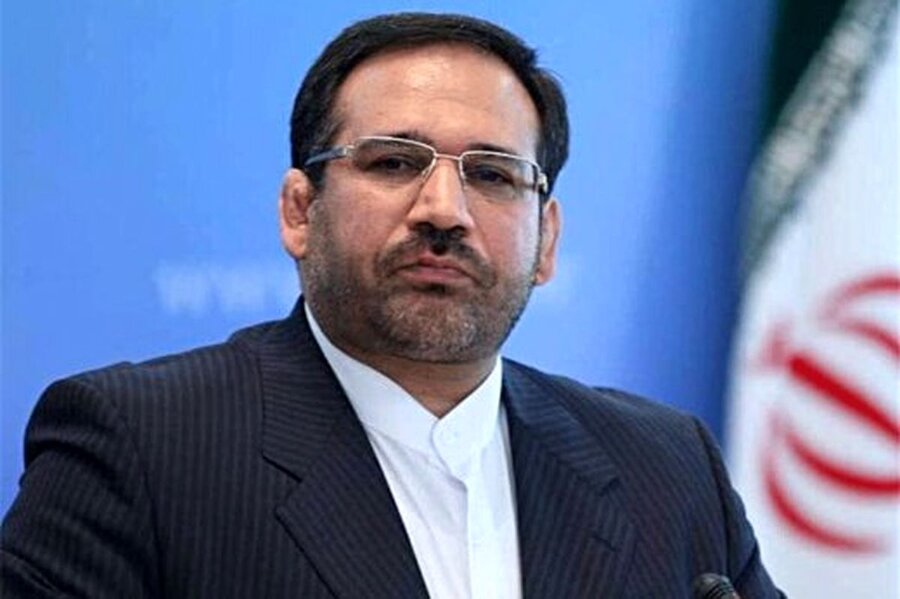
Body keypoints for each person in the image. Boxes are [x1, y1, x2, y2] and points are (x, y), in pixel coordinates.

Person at [1, 12, 783, 599]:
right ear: (300, 211)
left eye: (492, 174)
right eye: (393, 162)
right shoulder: (140, 447)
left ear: (546, 240)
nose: (444, 209)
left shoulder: (665, 466)